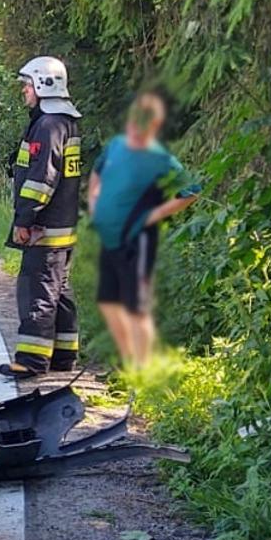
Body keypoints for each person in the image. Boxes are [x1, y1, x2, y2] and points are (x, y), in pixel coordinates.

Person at [88, 92, 200, 368]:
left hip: (138, 240)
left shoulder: (158, 158)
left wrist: (155, 214)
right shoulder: (116, 147)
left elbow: (192, 191)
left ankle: (141, 368)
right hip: (111, 237)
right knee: (109, 301)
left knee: (136, 306)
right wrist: (94, 202)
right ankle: (128, 362)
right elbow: (97, 173)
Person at [0, 56, 84, 379]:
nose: (24, 90)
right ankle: (63, 355)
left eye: (28, 84)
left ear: (43, 85)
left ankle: (32, 360)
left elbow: (41, 180)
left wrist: (24, 220)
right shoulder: (66, 122)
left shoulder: (47, 126)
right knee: (59, 291)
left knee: (38, 292)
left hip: (44, 228)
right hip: (63, 226)